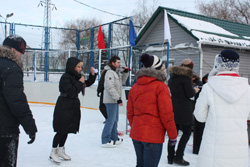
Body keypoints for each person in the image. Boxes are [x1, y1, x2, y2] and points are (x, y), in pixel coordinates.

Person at [194, 50, 250, 167]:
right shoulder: (247, 89)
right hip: (238, 148)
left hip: (213, 148)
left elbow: (200, 117)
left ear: (218, 63)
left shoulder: (209, 87)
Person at [127, 54, 178, 167]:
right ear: (158, 69)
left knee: (140, 164)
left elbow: (130, 112)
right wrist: (173, 135)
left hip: (137, 133)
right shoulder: (161, 87)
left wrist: (137, 126)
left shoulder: (135, 87)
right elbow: (166, 114)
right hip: (153, 135)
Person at [50, 57, 97, 163]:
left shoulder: (77, 77)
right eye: (78, 67)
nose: (80, 69)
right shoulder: (65, 77)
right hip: (64, 105)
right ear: (72, 67)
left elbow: (87, 83)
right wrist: (80, 83)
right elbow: (71, 91)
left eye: (81, 67)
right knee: (61, 129)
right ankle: (53, 151)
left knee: (67, 129)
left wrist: (92, 75)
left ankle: (61, 150)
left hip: (72, 105)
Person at [0, 35, 37, 167]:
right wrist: (29, 125)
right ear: (13, 50)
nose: (21, 55)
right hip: (5, 130)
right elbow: (16, 101)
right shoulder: (11, 68)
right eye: (21, 52)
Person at [167, 58, 200, 166]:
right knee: (186, 132)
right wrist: (195, 90)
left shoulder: (172, 76)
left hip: (173, 106)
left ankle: (170, 157)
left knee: (173, 133)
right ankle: (179, 156)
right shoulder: (185, 77)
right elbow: (189, 94)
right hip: (184, 109)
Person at [101, 56, 129, 147]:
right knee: (111, 119)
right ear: (112, 63)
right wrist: (118, 98)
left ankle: (114, 138)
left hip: (114, 99)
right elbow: (109, 86)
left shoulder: (115, 72)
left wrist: (125, 72)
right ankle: (105, 139)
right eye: (117, 62)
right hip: (110, 100)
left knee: (115, 120)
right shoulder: (109, 73)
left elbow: (122, 81)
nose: (119, 64)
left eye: (120, 62)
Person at [192, 73, 208, 154]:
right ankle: (196, 149)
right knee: (198, 132)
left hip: (202, 112)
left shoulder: (204, 87)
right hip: (199, 111)